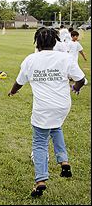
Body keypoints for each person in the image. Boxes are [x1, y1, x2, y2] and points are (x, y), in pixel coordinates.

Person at [8, 27, 86, 197]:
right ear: (55, 42)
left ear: (37, 42)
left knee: (40, 142)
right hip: (62, 106)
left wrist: (13, 92)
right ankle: (64, 161)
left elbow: (19, 82)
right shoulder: (65, 58)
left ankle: (40, 180)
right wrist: (75, 87)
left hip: (43, 108)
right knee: (56, 127)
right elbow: (81, 79)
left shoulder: (30, 59)